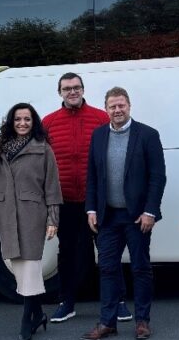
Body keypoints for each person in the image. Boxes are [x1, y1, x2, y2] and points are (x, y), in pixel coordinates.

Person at [42, 72, 129, 323]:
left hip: (99, 200)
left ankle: (118, 301)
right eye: (67, 88)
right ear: (60, 92)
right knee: (67, 253)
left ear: (83, 89)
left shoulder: (101, 118)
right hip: (65, 200)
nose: (72, 92)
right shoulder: (48, 123)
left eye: (76, 87)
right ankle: (66, 303)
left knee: (108, 251)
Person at [82, 87, 166, 340]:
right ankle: (107, 322)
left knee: (140, 268)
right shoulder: (98, 136)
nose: (117, 110)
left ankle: (142, 321)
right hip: (108, 217)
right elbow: (93, 176)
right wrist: (92, 208)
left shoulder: (148, 135)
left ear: (129, 106)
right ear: (106, 109)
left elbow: (157, 177)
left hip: (137, 216)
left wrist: (150, 211)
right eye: (112, 106)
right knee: (107, 268)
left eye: (121, 105)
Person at [0, 103, 63, 340]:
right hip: (5, 213)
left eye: (27, 119)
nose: (22, 123)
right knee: (17, 264)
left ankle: (27, 318)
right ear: (11, 121)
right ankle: (38, 313)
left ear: (34, 122)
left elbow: (52, 186)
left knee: (30, 265)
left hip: (32, 214)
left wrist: (53, 218)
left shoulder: (43, 149)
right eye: (18, 119)